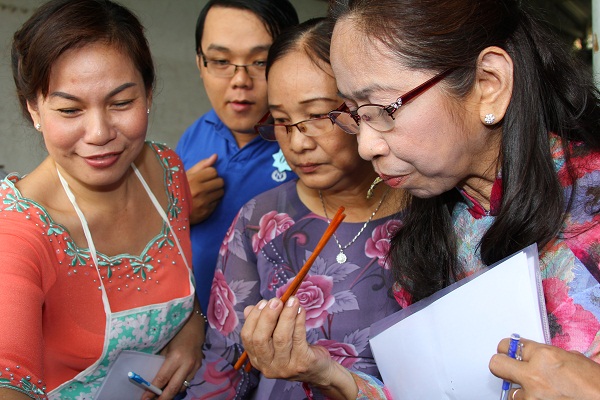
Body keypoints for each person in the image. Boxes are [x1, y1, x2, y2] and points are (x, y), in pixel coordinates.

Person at [239, 0, 600, 399]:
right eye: (355, 113)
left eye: (381, 109)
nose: (365, 146)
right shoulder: (437, 226)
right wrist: (325, 372)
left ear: (489, 84)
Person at [182, 17, 404, 399]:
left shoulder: (433, 213)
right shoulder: (260, 220)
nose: (297, 143)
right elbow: (223, 364)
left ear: (362, 106)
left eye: (317, 117)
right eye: (281, 121)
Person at [0, 1, 205, 399]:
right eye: (69, 109)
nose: (99, 133)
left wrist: (191, 326)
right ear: (34, 108)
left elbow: (181, 281)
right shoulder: (17, 233)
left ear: (148, 93)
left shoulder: (166, 171)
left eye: (121, 103)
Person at [175, 0, 299, 314]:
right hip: (195, 331)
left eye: (260, 62)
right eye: (221, 61)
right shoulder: (195, 135)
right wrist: (175, 207)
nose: (240, 79)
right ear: (200, 64)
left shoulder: (308, 146)